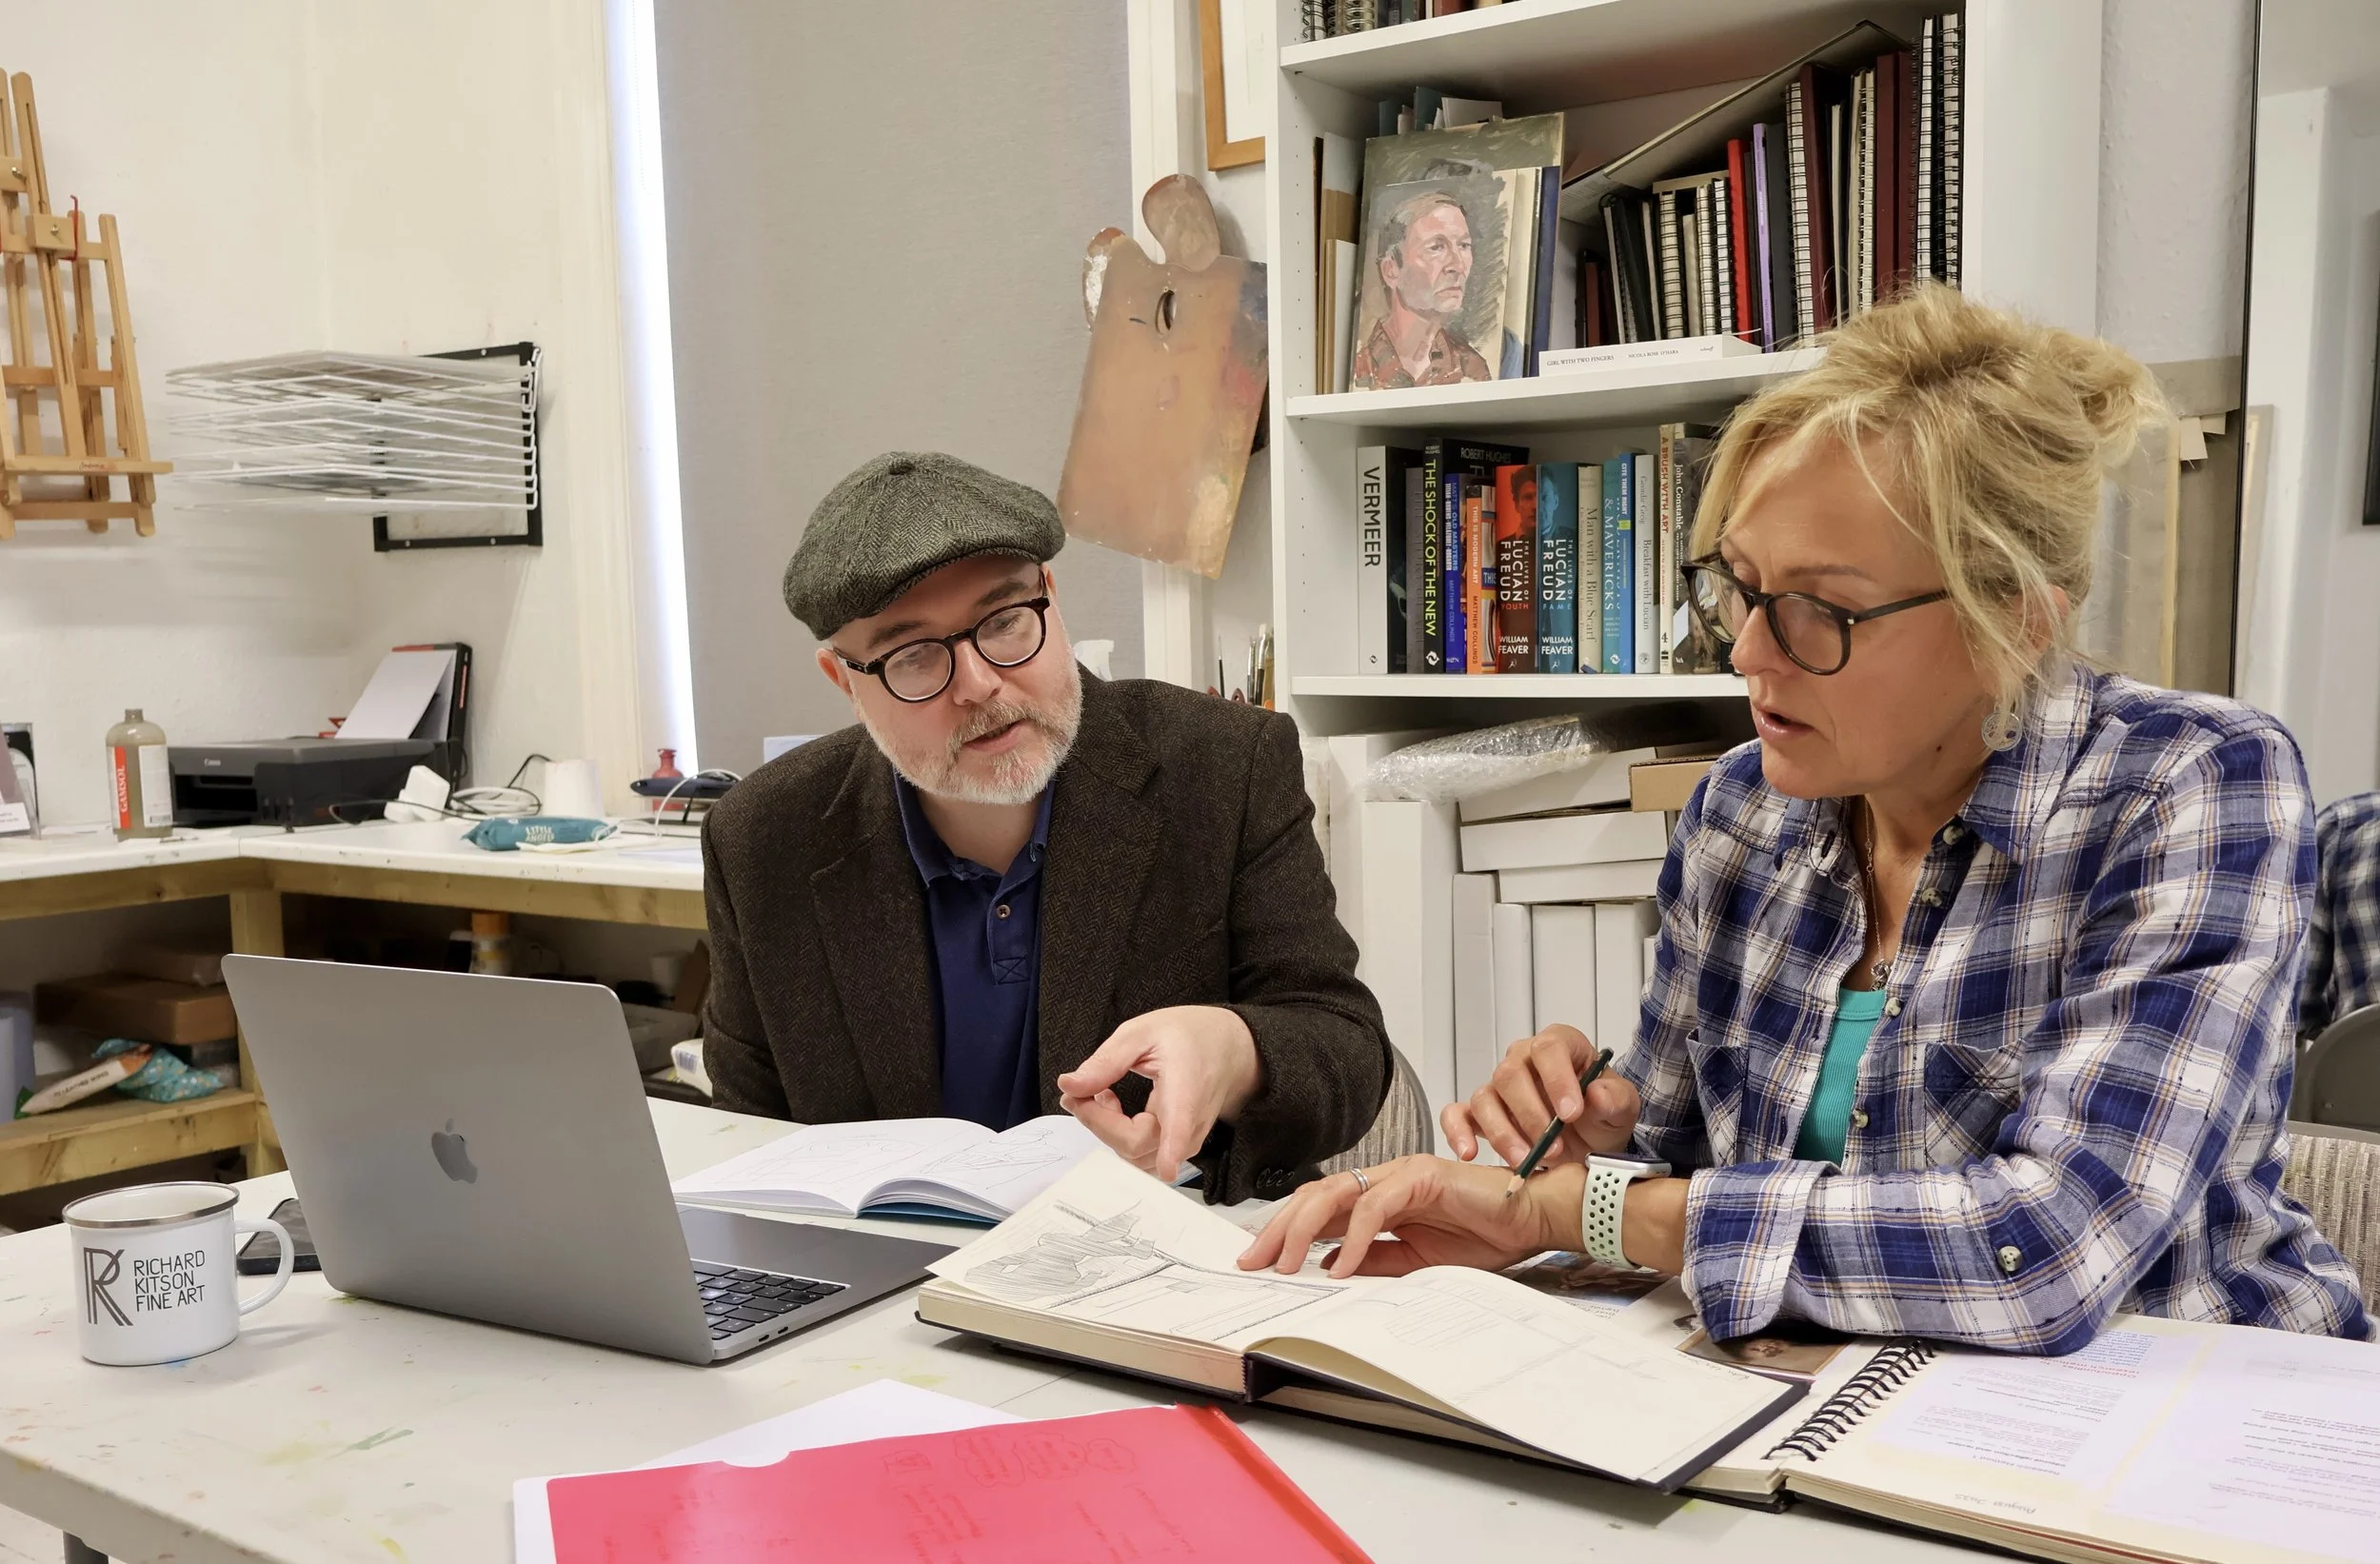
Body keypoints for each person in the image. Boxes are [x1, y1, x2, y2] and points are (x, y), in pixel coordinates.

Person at [1241, 287, 2374, 1351]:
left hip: (2188, 1426)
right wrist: (1590, 1133)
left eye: (1818, 611)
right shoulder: (1742, 812)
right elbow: (1664, 1164)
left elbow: (2049, 1251)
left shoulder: (2190, 785)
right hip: (1851, 1412)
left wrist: (1572, 1205)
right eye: (1736, 584)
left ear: (2014, 620)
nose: (1745, 652)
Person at [700, 451, 1392, 1204]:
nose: (978, 684)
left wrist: (1237, 1051)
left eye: (1003, 621)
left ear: (1051, 599)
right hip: (886, 1297)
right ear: (845, 681)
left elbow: (1348, 1051)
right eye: (914, 656)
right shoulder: (762, 838)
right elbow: (750, 1145)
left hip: (1164, 1268)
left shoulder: (1222, 765)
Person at [1351, 190, 1492, 390]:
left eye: (1463, 245)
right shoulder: (1357, 366)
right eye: (1436, 247)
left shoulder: (1471, 368)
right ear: (1391, 271)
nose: (1458, 265)